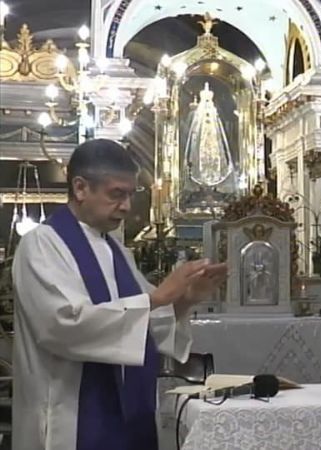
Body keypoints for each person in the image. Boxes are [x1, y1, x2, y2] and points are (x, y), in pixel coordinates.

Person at [12, 139, 227, 450]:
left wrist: (186, 299)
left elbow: (141, 325)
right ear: (81, 188)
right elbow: (62, 325)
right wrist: (159, 297)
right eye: (117, 194)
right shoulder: (43, 245)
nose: (126, 206)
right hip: (68, 415)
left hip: (125, 415)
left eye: (130, 195)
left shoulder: (116, 251)